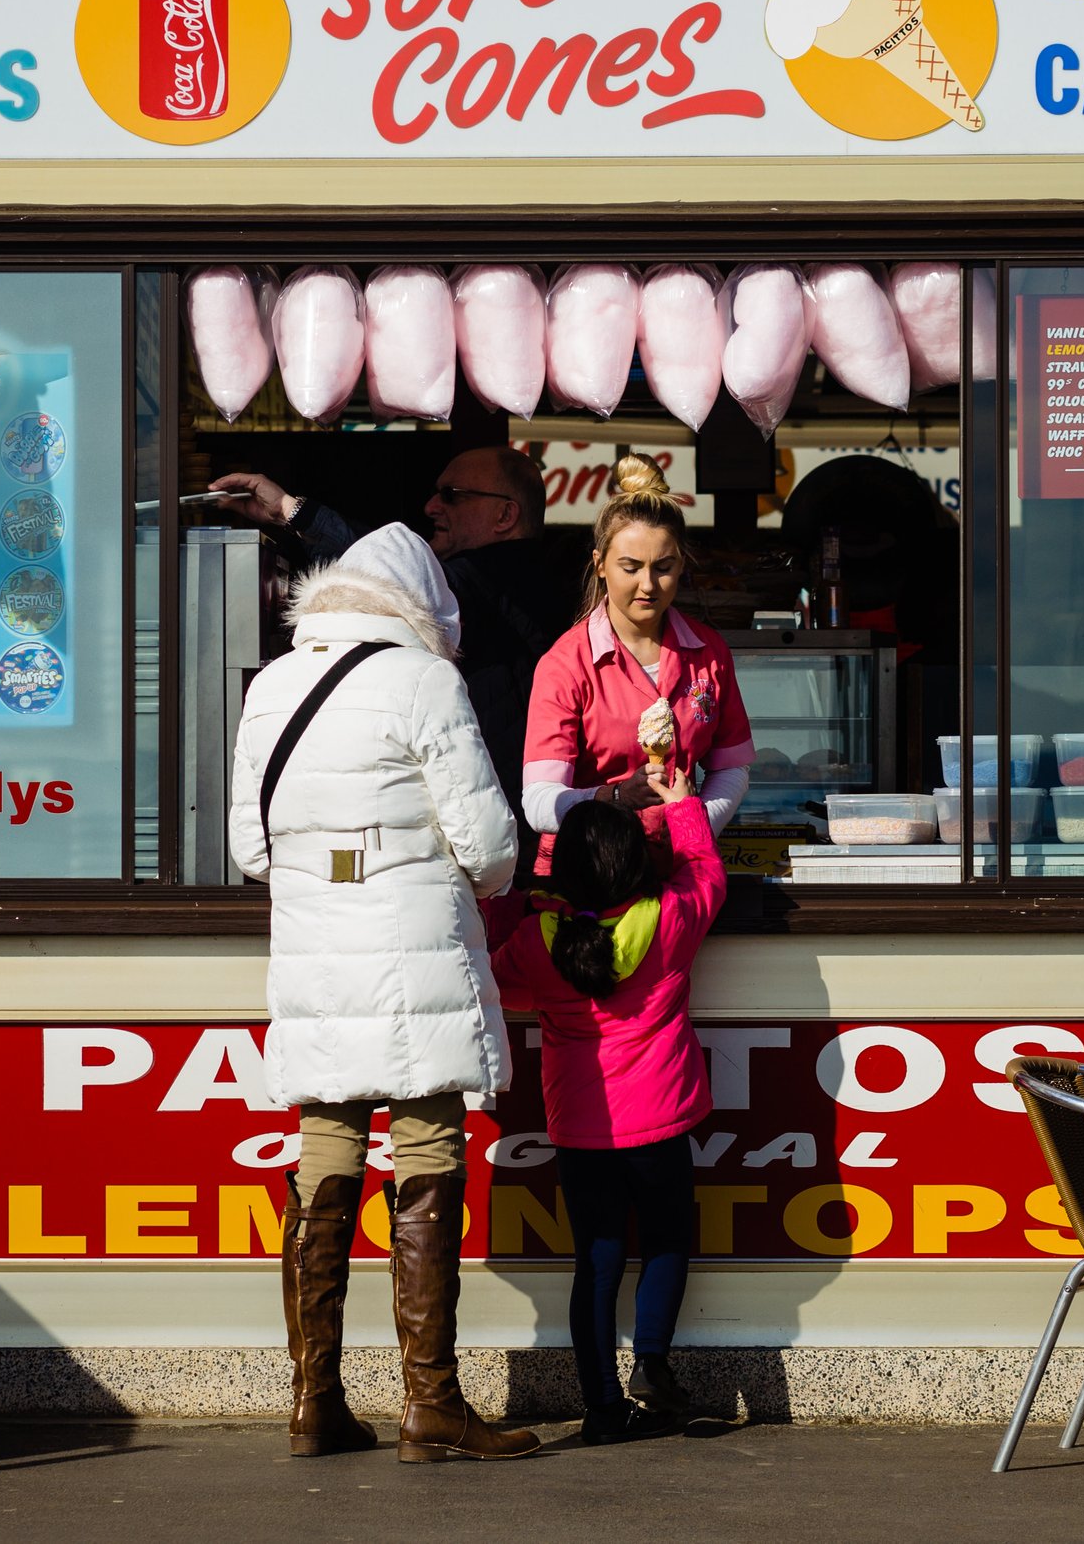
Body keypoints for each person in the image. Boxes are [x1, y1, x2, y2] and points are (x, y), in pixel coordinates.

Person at [226, 523, 539, 1464]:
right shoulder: (425, 681)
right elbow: (489, 848)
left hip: (317, 955)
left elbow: (251, 852)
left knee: (325, 1142)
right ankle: (431, 1403)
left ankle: (313, 1401)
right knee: (428, 1138)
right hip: (414, 954)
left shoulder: (272, 683)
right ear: (425, 610)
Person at [487, 778, 725, 1443]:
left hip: (582, 1132)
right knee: (668, 1240)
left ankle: (601, 1405)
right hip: (663, 1119)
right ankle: (650, 1358)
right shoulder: (670, 921)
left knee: (595, 1261)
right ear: (635, 866)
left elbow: (493, 962)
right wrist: (678, 801)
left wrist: (534, 890)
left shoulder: (540, 943)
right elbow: (706, 871)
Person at [212, 446, 576, 818]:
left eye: (452, 495)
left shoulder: (504, 577)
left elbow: (390, 570)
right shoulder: (492, 579)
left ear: (505, 514)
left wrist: (293, 511)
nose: (432, 506)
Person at [520, 454, 753, 873]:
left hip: (681, 872)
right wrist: (613, 799)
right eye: (631, 567)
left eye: (663, 568)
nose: (648, 585)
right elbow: (539, 803)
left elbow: (731, 768)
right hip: (586, 877)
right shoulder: (566, 663)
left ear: (682, 566)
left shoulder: (708, 652)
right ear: (600, 564)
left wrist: (694, 825)